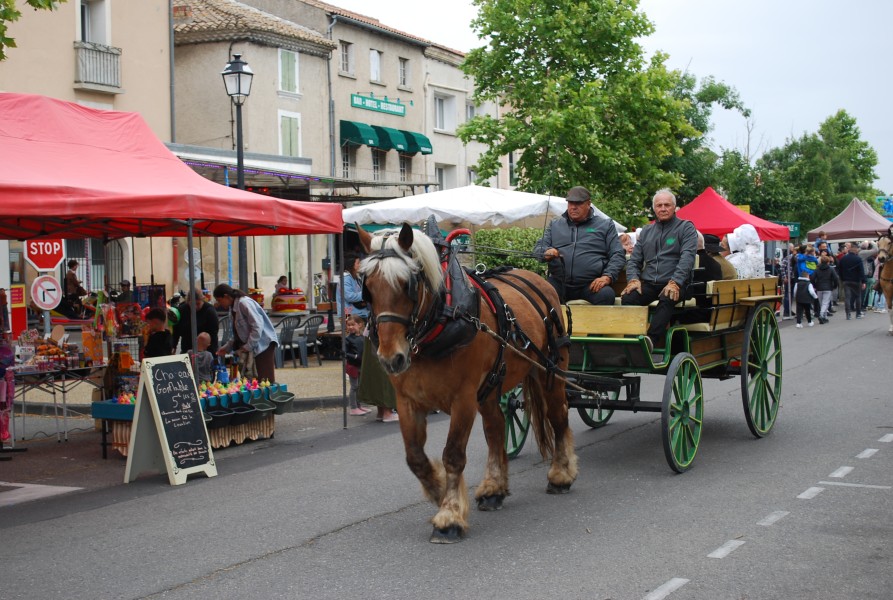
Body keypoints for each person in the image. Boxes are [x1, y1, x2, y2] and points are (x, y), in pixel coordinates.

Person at [621, 188, 698, 348]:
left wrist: (675, 282)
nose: (663, 208)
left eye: (667, 205)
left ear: (674, 207)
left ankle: (650, 341)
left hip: (678, 283)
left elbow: (687, 258)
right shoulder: (647, 231)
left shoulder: (686, 227)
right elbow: (634, 261)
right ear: (654, 208)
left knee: (667, 296)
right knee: (629, 297)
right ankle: (630, 341)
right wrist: (633, 279)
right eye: (659, 205)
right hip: (649, 282)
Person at [534, 186, 625, 304]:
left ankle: (594, 323)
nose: (573, 207)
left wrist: (607, 276)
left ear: (588, 204)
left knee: (606, 295)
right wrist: (546, 251)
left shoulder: (605, 225)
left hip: (590, 284)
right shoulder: (555, 225)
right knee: (540, 293)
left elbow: (618, 254)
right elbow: (538, 248)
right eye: (570, 203)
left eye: (578, 203)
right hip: (559, 283)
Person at [213, 284, 279, 382]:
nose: (219, 303)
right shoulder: (232, 308)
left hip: (263, 345)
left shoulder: (244, 303)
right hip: (252, 345)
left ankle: (268, 397)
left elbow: (257, 325)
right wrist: (227, 347)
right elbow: (238, 333)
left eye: (219, 300)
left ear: (226, 296)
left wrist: (248, 346)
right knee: (251, 379)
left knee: (265, 380)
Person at [172, 288, 219, 355]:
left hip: (205, 351)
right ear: (188, 302)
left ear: (203, 300)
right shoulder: (182, 310)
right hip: (186, 348)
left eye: (198, 304)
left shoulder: (210, 311)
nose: (195, 307)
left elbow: (213, 334)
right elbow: (176, 330)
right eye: (192, 304)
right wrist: (174, 346)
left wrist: (213, 353)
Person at [343, 314, 371, 416]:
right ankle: (353, 407)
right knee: (354, 386)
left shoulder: (362, 337)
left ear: (360, 325)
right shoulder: (347, 339)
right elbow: (344, 353)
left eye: (352, 325)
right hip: (353, 366)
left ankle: (358, 405)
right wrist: (354, 356)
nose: (350, 327)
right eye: (348, 325)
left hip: (361, 365)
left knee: (359, 386)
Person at [837, 242, 866, 319]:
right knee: (858, 296)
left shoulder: (843, 259)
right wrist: (863, 281)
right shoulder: (858, 259)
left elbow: (839, 270)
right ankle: (858, 313)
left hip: (846, 280)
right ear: (855, 250)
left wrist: (842, 278)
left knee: (847, 297)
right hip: (856, 280)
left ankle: (848, 314)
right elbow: (861, 271)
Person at [337, 253, 370, 318]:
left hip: (358, 313)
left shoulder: (356, 277)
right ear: (352, 265)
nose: (360, 265)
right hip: (349, 314)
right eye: (358, 263)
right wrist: (365, 293)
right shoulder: (345, 278)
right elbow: (349, 297)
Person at [811, 255, 839, 324]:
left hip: (819, 288)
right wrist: (834, 285)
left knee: (821, 303)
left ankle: (825, 317)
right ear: (828, 262)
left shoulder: (817, 269)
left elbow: (812, 278)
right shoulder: (831, 269)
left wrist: (814, 285)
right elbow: (836, 278)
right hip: (828, 287)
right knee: (825, 302)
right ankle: (822, 314)